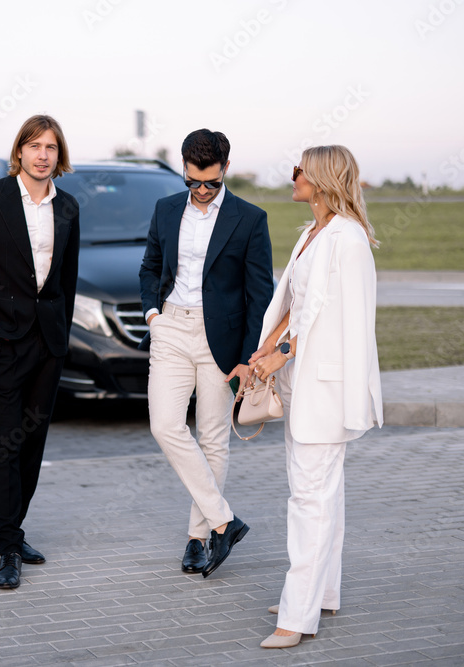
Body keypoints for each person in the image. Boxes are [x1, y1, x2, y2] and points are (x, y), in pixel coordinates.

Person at [249, 145, 383, 649]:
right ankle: (321, 592)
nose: (293, 177)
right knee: (322, 493)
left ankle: (297, 615)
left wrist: (282, 353)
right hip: (298, 381)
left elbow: (339, 321)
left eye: (299, 170)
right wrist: (266, 349)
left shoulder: (348, 239)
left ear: (322, 179)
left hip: (326, 387)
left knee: (310, 499)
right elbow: (295, 304)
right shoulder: (313, 232)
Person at [0, 114, 80, 590]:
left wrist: (61, 337)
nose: (43, 155)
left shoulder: (68, 206)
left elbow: (67, 278)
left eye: (51, 147)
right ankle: (7, 543)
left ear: (59, 155)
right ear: (19, 151)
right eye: (35, 146)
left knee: (32, 442)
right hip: (2, 341)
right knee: (5, 443)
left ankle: (12, 528)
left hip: (48, 344)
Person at [138, 128, 274, 579]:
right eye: (192, 181)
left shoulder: (250, 219)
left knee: (213, 438)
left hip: (223, 340)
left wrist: (249, 357)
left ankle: (199, 537)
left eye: (210, 182)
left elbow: (260, 294)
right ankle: (224, 521)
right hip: (171, 328)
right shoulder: (165, 209)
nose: (200, 190)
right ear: (183, 169)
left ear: (226, 169)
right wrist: (153, 315)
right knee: (164, 425)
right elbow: (150, 266)